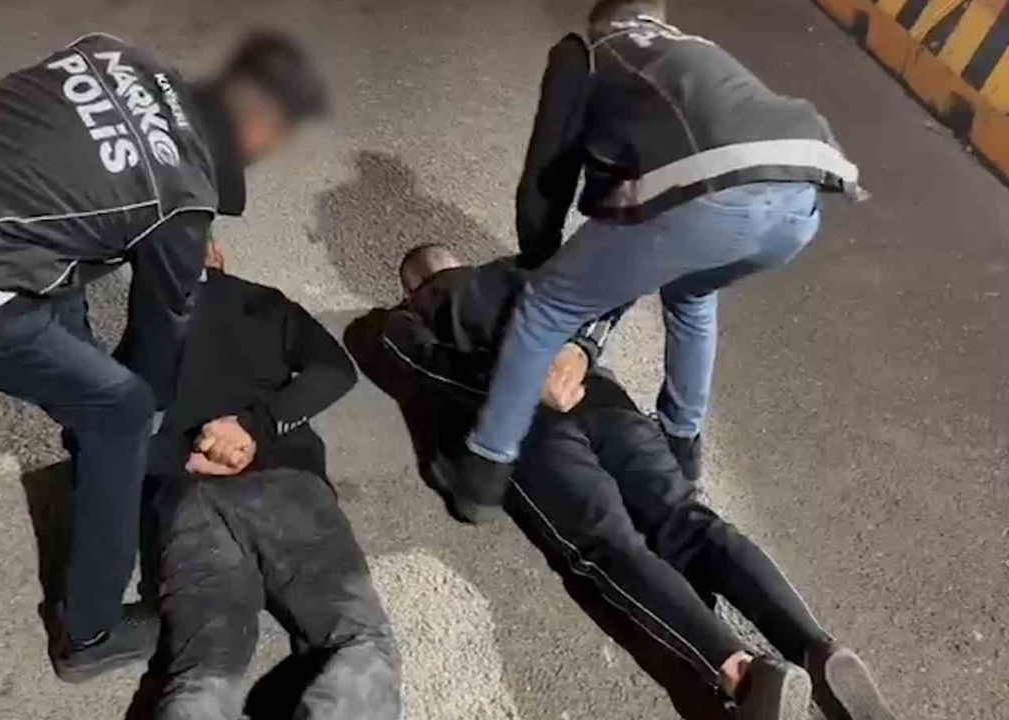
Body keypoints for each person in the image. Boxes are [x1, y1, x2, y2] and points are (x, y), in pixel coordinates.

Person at [0, 31, 328, 681]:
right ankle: (90, 633)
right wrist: (156, 430)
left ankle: (93, 450)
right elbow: (160, 338)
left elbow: (83, 168)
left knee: (73, 266)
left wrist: (180, 234)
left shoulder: (118, 53)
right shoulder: (178, 201)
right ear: (263, 131)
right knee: (122, 410)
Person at [345, 244, 896, 720]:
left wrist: (518, 377)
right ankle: (816, 648)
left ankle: (745, 677)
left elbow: (423, 365)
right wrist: (573, 355)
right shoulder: (525, 269)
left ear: (411, 287)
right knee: (688, 520)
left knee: (610, 546)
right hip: (604, 401)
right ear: (461, 259)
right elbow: (599, 296)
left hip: (527, 428)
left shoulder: (404, 318)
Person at [451, 0, 862, 517]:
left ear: (600, 17)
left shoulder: (588, 54)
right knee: (692, 292)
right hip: (802, 197)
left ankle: (482, 472)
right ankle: (681, 444)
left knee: (545, 305)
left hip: (716, 194)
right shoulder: (689, 52)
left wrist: (543, 266)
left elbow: (546, 180)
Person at [124, 248, 401, 720]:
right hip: (283, 481)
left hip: (183, 500)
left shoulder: (137, 328)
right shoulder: (263, 303)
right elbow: (335, 371)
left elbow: (94, 434)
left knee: (202, 670)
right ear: (217, 254)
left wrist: (183, 457)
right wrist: (255, 426)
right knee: (358, 641)